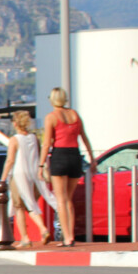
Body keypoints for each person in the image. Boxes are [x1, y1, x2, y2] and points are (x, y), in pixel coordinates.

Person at [38, 87, 96, 246]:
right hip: (75, 156)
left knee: (60, 199)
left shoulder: (51, 117)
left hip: (60, 156)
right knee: (68, 198)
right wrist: (92, 158)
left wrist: (41, 164)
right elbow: (85, 138)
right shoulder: (75, 115)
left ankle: (67, 237)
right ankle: (70, 235)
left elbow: (46, 144)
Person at [1, 110, 54, 247]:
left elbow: (10, 160)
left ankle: (26, 238)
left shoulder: (15, 139)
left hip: (18, 175)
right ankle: (42, 228)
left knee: (19, 207)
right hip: (33, 175)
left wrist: (3, 178)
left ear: (15, 123)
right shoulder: (33, 138)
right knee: (30, 204)